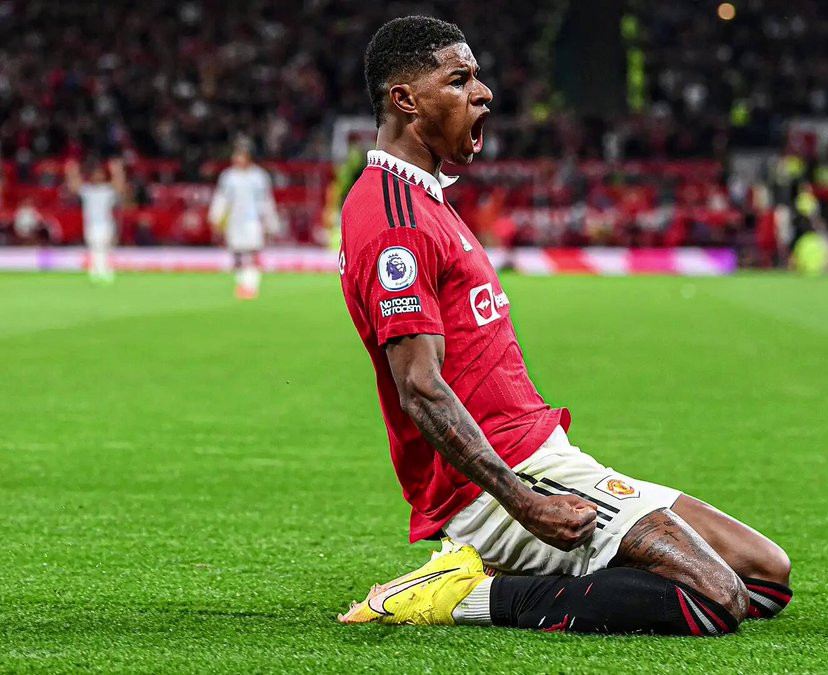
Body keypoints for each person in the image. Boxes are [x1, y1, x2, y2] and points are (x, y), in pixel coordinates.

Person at [335, 16, 790, 637]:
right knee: (715, 599)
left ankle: (526, 566)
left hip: (541, 454)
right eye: (460, 80)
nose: (483, 92)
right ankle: (466, 595)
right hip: (495, 484)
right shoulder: (394, 217)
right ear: (405, 100)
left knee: (765, 576)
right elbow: (420, 387)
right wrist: (525, 504)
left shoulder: (425, 199)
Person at [207, 142, 278, 299]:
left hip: (253, 220)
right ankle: (241, 284)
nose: (237, 159)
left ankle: (252, 285)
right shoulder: (228, 177)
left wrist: (270, 222)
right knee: (237, 253)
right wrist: (215, 217)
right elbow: (222, 198)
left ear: (248, 158)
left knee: (253, 252)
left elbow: (266, 200)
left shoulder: (259, 177)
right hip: (235, 221)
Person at [65, 158, 125, 283]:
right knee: (94, 248)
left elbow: (119, 187)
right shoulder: (87, 190)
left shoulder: (108, 189)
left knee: (105, 248)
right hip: (91, 224)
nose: (98, 176)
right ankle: (95, 272)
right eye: (95, 174)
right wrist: (72, 172)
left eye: (100, 174)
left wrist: (117, 171)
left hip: (106, 223)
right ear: (91, 176)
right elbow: (74, 187)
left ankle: (105, 271)